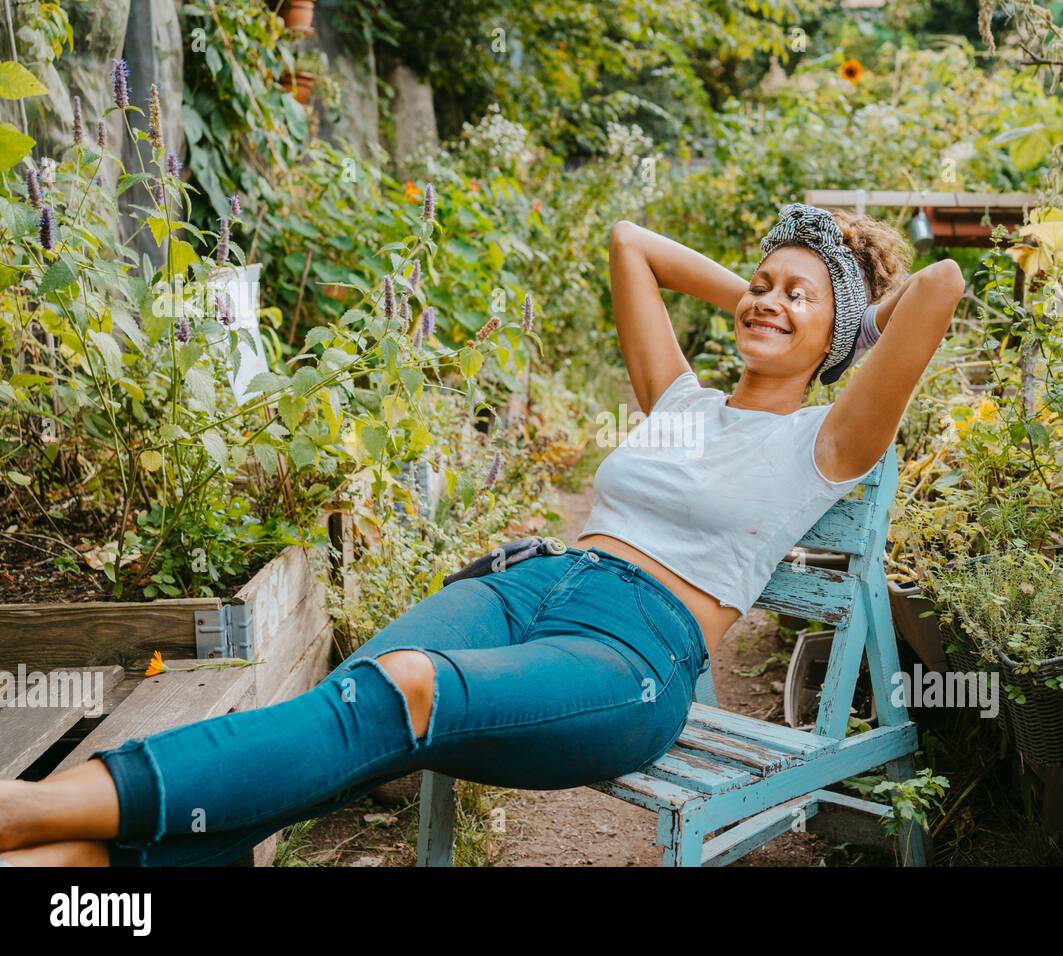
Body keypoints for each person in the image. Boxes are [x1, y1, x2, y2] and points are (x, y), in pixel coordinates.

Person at [0, 203, 963, 866]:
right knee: (358, 707)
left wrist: (831, 322)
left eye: (799, 295)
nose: (764, 298)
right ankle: (91, 862)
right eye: (759, 283)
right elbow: (632, 243)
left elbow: (941, 284)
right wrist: (773, 304)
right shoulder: (682, 406)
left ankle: (35, 809)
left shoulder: (823, 443)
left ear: (841, 339)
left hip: (631, 650)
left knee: (406, 693)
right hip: (525, 586)